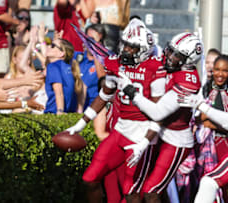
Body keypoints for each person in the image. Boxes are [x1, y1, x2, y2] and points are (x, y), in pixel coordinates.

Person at [65, 19, 165, 202]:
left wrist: (145, 142)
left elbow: (160, 112)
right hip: (120, 131)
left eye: (131, 46)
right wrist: (80, 124)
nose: (126, 49)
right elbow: (104, 95)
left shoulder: (155, 69)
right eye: (125, 44)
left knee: (131, 192)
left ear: (143, 49)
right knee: (89, 179)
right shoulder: (117, 64)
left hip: (141, 134)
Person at [118, 32, 203, 202]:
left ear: (189, 60)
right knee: (134, 188)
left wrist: (131, 92)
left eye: (177, 55)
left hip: (175, 139)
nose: (170, 57)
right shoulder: (166, 64)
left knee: (151, 191)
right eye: (170, 50)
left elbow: (158, 112)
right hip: (155, 133)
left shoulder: (189, 81)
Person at [177, 55, 228, 203]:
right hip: (207, 145)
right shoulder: (206, 88)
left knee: (214, 183)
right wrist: (208, 119)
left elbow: (207, 119)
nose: (220, 74)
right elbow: (199, 117)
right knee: (205, 183)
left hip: (224, 145)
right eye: (217, 69)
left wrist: (209, 121)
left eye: (225, 71)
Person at [44, 38, 84, 115]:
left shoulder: (53, 66)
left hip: (54, 112)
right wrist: (79, 110)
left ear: (61, 53)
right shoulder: (70, 67)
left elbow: (58, 91)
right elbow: (82, 89)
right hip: (69, 113)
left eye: (52, 45)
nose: (48, 47)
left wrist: (60, 111)